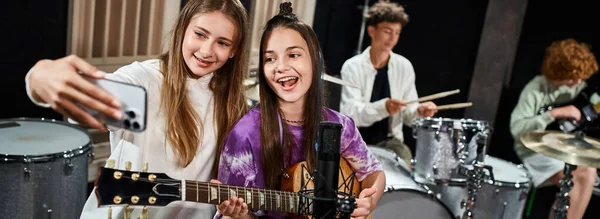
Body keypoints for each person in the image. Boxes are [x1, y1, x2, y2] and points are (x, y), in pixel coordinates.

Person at [24, 0, 249, 218]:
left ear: (234, 50)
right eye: (200, 34)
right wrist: (39, 78)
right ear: (182, 30)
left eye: (222, 42)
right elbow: (88, 99)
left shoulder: (234, 101)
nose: (207, 50)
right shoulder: (145, 79)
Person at [214, 3, 386, 219]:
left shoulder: (340, 125)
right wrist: (236, 214)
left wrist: (368, 201)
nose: (281, 67)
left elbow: (373, 172)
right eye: (270, 59)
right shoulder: (246, 134)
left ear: (315, 60)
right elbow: (229, 213)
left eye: (293, 55)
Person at [339, 0, 437, 166]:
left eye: (397, 33)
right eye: (387, 31)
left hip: (391, 143)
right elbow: (350, 114)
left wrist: (419, 112)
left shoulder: (404, 67)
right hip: (356, 140)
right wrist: (384, 107)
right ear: (371, 31)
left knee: (404, 169)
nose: (392, 38)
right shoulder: (352, 66)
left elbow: (408, 116)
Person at [511, 38, 598, 219]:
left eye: (581, 76)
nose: (578, 80)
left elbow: (593, 102)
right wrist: (554, 113)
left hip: (564, 147)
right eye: (573, 76)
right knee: (581, 176)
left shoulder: (579, 86)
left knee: (587, 172)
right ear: (560, 71)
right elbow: (517, 129)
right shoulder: (535, 89)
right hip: (533, 149)